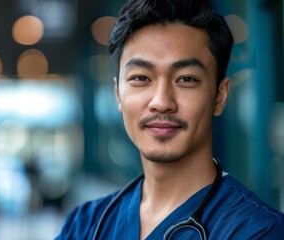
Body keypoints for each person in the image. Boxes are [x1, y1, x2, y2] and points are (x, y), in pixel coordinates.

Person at [56, 0, 284, 239]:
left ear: (220, 95)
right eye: (141, 78)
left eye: (186, 79)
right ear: (118, 95)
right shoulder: (85, 225)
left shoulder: (258, 231)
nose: (162, 102)